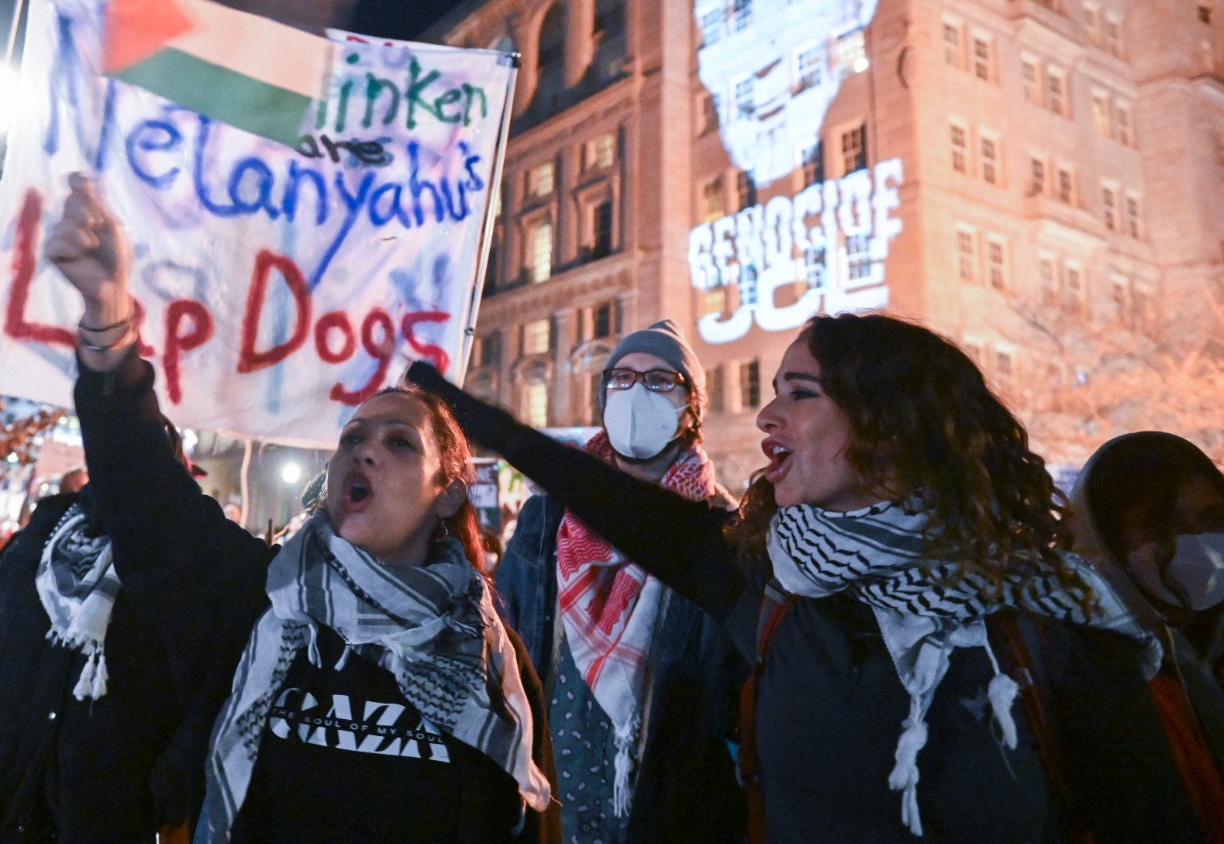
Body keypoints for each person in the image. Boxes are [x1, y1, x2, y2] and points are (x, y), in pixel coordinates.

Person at [408, 312, 1202, 842]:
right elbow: (607, 498)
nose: (767, 417)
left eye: (801, 394)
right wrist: (470, 415)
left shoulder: (1050, 624)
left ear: (887, 423)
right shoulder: (765, 580)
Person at [45, 174, 557, 843]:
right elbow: (148, 500)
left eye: (399, 442)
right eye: (352, 438)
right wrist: (108, 316)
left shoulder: (488, 660)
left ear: (449, 493)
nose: (364, 452)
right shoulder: (258, 599)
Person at [496, 321, 744, 843]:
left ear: (690, 407)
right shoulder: (546, 518)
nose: (636, 392)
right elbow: (505, 644)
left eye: (659, 380)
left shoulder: (722, 530)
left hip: (665, 802)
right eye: (622, 378)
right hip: (551, 792)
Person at [0, 455, 201, 843]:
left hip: (100, 816)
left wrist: (160, 798)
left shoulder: (183, 570)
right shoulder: (32, 547)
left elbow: (205, 695)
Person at [1069, 431, 1224, 834]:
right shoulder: (1089, 671)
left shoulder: (1198, 644)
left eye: (1211, 519)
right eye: (1160, 525)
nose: (1196, 544)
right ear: (1104, 540)